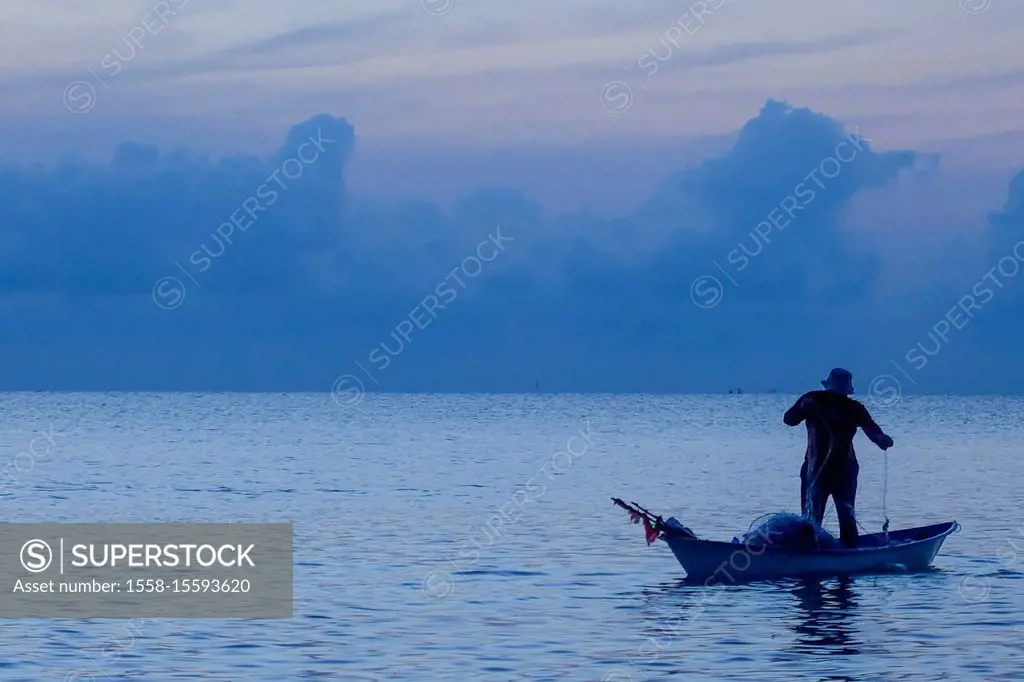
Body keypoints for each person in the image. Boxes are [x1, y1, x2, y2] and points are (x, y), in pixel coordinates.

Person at [783, 368, 894, 547]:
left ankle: (844, 553)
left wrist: (882, 439)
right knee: (813, 518)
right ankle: (813, 552)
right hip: (815, 469)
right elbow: (789, 419)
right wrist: (803, 407)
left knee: (844, 515)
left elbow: (871, 429)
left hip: (843, 471)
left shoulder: (853, 408)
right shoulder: (812, 399)